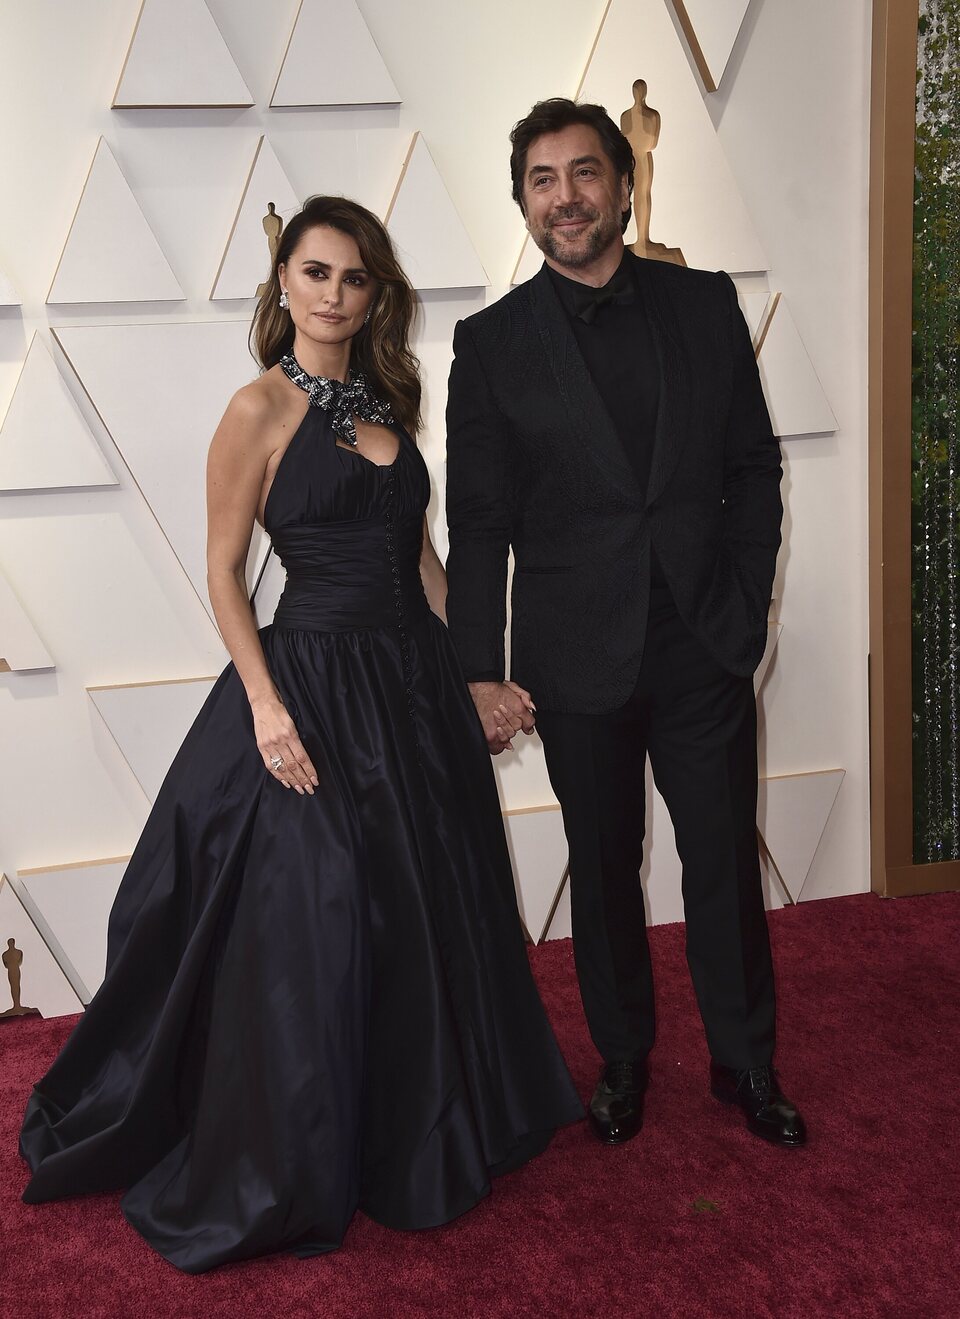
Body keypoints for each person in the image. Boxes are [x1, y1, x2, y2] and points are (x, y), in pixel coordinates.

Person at [19, 195, 583, 1273]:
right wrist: (267, 703)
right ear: (284, 282)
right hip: (314, 681)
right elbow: (224, 567)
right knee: (322, 913)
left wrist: (471, 671)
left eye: (355, 277)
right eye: (316, 272)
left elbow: (416, 553)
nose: (334, 294)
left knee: (429, 902)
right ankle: (312, 1138)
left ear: (375, 294)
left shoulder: (384, 398)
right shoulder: (257, 409)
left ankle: (416, 1120)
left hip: (409, 684)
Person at [444, 99, 807, 1151]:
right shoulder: (492, 343)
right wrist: (479, 670)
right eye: (544, 179)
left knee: (723, 861)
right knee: (603, 864)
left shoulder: (704, 304)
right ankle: (625, 1057)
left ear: (623, 183)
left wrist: (747, 605)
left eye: (585, 172)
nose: (568, 195)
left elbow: (752, 466)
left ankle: (746, 1062)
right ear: (523, 203)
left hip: (703, 640)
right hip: (573, 655)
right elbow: (479, 524)